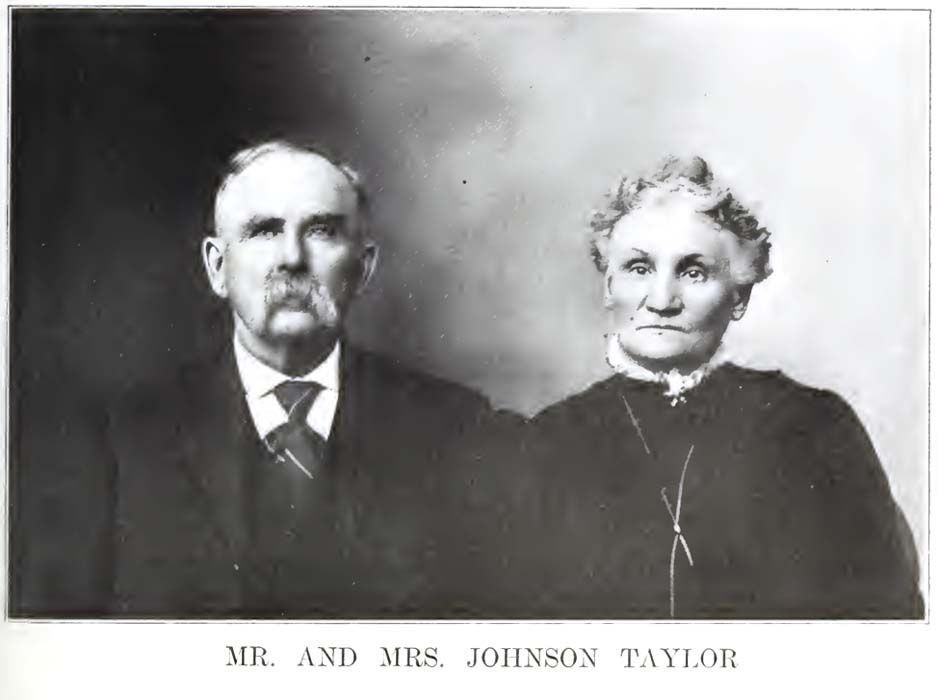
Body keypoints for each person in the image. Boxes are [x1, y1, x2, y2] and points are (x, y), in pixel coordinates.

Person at [97, 140, 501, 618]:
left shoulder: (455, 428)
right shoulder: (122, 438)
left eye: (322, 231)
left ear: (363, 268)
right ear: (217, 267)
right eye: (264, 231)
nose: (292, 258)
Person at [518, 155, 923, 619]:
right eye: (639, 268)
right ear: (609, 286)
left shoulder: (811, 426)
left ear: (739, 296)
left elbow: (885, 620)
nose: (662, 300)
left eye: (693, 272)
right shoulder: (551, 438)